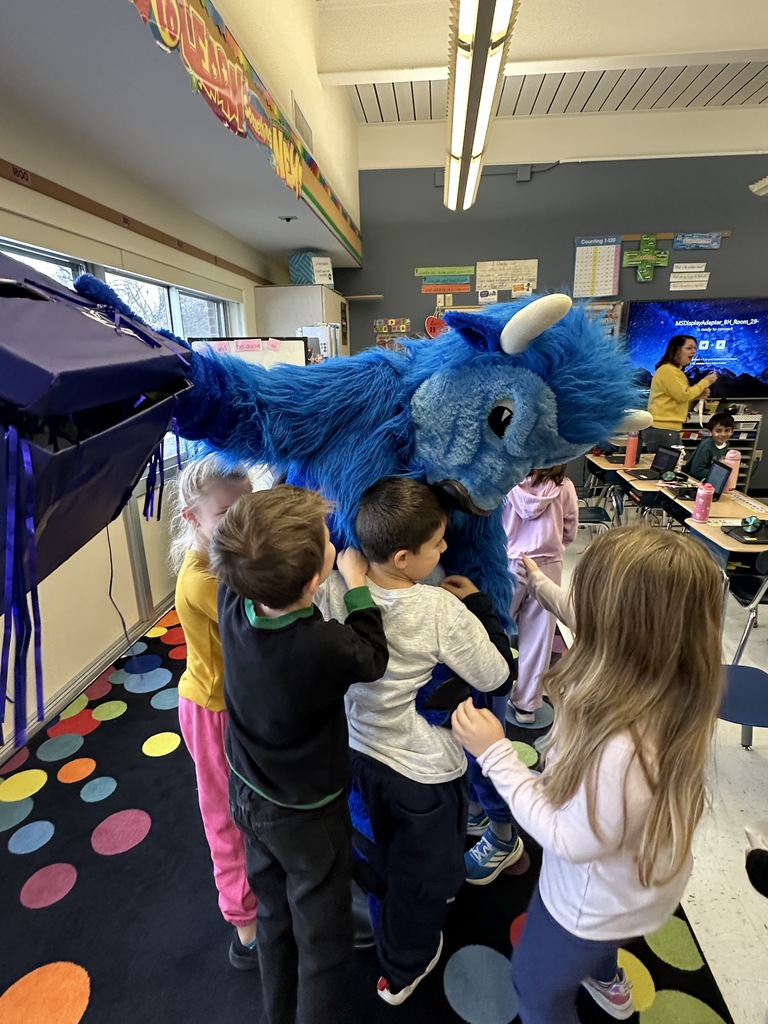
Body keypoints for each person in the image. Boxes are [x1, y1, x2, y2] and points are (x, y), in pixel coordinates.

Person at [452, 527, 724, 1024]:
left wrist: (496, 755)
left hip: (585, 903)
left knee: (534, 989)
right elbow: (589, 619)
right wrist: (537, 583)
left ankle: (587, 975)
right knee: (600, 946)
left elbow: (567, 836)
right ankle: (604, 975)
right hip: (636, 888)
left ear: (621, 630)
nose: (581, 610)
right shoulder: (675, 677)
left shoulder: (622, 749)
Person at [316, 477, 518, 1005]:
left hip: (356, 755)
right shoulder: (439, 610)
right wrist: (481, 608)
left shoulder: (335, 590)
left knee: (375, 853)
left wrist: (349, 569)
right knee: (423, 876)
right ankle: (406, 965)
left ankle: (379, 927)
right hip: (421, 776)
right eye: (438, 544)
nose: (447, 549)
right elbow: (497, 675)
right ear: (405, 557)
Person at [211, 484, 388, 1024]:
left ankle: (276, 1013)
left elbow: (249, 550)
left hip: (250, 794)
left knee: (273, 914)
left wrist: (296, 527)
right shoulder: (322, 644)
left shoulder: (233, 599)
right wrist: (356, 583)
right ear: (315, 581)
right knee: (323, 939)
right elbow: (371, 655)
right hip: (308, 814)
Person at [171, 455, 257, 968]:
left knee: (250, 802)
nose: (241, 522)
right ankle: (243, 923)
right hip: (210, 711)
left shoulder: (230, 555)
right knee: (223, 814)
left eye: (247, 508)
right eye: (227, 514)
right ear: (192, 519)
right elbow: (256, 623)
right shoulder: (202, 581)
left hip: (240, 703)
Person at [502, 465, 578, 726]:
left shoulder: (507, 483)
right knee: (538, 639)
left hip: (508, 562)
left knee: (493, 629)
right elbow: (570, 529)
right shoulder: (565, 487)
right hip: (547, 565)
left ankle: (486, 689)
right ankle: (526, 704)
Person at [645, 335, 718, 452]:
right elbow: (683, 396)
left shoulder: (676, 372)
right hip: (663, 429)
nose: (694, 352)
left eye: (695, 348)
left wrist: (698, 395)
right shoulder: (667, 370)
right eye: (689, 348)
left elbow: (677, 397)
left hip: (667, 429)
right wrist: (706, 381)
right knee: (666, 468)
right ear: (676, 350)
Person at [682, 412, 736, 479]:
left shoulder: (726, 444)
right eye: (718, 431)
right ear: (710, 432)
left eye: (727, 430)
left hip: (708, 477)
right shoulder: (706, 446)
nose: (723, 434)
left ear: (732, 431)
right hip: (692, 479)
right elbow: (696, 471)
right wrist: (719, 474)